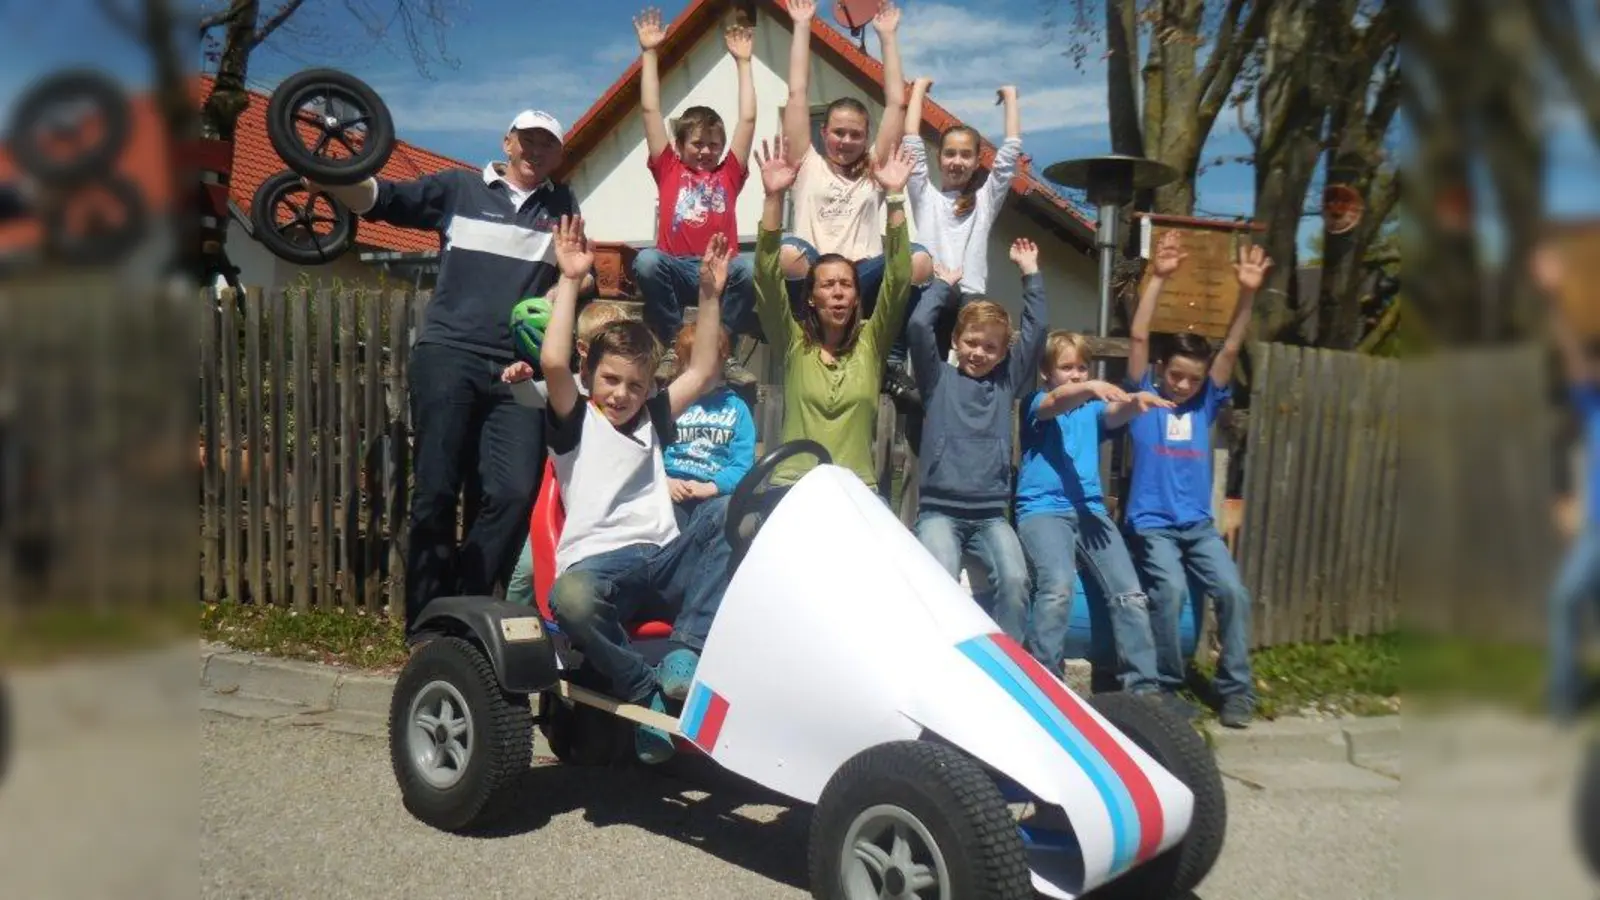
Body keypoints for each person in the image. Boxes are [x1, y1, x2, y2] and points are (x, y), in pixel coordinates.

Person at [304, 109, 584, 630]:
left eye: (548, 144)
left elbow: (579, 273)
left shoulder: (563, 206)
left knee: (512, 493)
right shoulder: (459, 188)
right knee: (436, 489)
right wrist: (329, 177)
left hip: (519, 371)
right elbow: (382, 200)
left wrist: (560, 291)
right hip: (449, 354)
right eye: (527, 140)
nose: (536, 151)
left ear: (559, 155)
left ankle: (463, 613)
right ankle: (427, 624)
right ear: (507, 141)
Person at [521, 215, 735, 765]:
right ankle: (646, 693)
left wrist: (709, 296)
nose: (621, 394)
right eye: (611, 380)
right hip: (601, 569)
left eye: (635, 385)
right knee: (570, 598)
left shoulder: (651, 419)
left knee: (731, 511)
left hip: (663, 558)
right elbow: (552, 360)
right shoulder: (575, 420)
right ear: (590, 374)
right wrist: (571, 278)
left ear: (648, 389)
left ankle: (685, 653)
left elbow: (702, 369)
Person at [1122, 232, 1272, 728]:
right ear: (1161, 370)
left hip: (1199, 527)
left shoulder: (1206, 402)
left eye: (1193, 378)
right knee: (1170, 592)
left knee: (1233, 593)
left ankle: (1236, 690)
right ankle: (1168, 685)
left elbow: (1231, 346)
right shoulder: (1143, 397)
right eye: (1176, 375)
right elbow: (1139, 336)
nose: (1184, 385)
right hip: (1153, 525)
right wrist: (1159, 278)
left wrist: (1247, 294)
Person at [752, 132, 915, 493]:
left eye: (846, 285)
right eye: (827, 285)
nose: (838, 292)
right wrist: (773, 197)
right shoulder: (793, 342)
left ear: (857, 297)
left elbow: (899, 278)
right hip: (793, 486)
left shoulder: (872, 344)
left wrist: (894, 196)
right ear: (811, 297)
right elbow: (766, 276)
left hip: (855, 489)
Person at [778, 0, 932, 382]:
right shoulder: (808, 163)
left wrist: (887, 37)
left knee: (918, 261)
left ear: (866, 138)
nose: (846, 141)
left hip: (862, 274)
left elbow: (895, 103)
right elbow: (797, 94)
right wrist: (802, 26)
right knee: (787, 253)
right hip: (815, 271)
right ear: (824, 132)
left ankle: (891, 360)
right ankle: (806, 327)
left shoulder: (874, 169)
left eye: (855, 134)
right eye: (838, 132)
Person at [1014, 330, 1173, 697]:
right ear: (1046, 372)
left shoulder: (1091, 409)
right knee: (1058, 586)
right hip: (1042, 512)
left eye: (1083, 368)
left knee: (1130, 593)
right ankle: (1045, 683)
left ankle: (1143, 688)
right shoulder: (1037, 402)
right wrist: (1089, 386)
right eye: (1066, 367)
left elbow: (1114, 414)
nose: (1076, 374)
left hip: (1090, 512)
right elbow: (1056, 401)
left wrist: (1135, 403)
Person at [907, 238, 1047, 647]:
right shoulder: (938, 380)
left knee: (1017, 581)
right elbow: (918, 326)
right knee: (939, 582)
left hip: (991, 515)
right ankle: (938, 660)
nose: (979, 353)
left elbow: (1037, 330)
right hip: (939, 512)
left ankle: (1008, 662)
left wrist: (1031, 274)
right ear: (955, 340)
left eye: (990, 347)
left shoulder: (1006, 384)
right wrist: (941, 287)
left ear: (1003, 353)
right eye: (971, 342)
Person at [629, 7, 759, 381]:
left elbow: (748, 119)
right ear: (680, 144)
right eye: (698, 143)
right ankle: (674, 343)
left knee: (750, 268)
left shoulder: (729, 173)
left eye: (714, 144)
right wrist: (649, 53)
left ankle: (724, 348)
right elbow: (650, 110)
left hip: (719, 269)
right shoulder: (669, 167)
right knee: (647, 261)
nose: (706, 151)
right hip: (675, 266)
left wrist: (744, 63)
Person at [503, 300, 635, 608]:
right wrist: (521, 381)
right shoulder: (572, 385)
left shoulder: (625, 391)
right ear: (584, 349)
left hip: (603, 501)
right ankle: (511, 623)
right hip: (561, 497)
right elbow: (531, 397)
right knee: (529, 570)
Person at [901, 77, 1022, 356]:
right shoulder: (926, 197)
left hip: (969, 295)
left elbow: (1008, 157)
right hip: (933, 289)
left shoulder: (984, 201)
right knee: (929, 356)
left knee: (978, 354)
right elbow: (911, 142)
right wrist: (918, 90)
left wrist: (1010, 99)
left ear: (978, 161)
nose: (957, 161)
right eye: (950, 154)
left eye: (966, 155)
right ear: (939, 158)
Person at [1533, 241, 1600, 724]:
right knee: (1566, 600)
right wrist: (1554, 297)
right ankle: (1563, 698)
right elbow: (1575, 359)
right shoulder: (1593, 405)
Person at [662, 322, 757, 531]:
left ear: (723, 363)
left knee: (729, 515)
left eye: (710, 365)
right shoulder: (668, 403)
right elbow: (649, 452)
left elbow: (743, 465)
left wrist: (712, 487)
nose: (704, 375)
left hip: (714, 492)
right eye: (695, 366)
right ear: (681, 365)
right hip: (670, 487)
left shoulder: (737, 408)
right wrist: (664, 481)